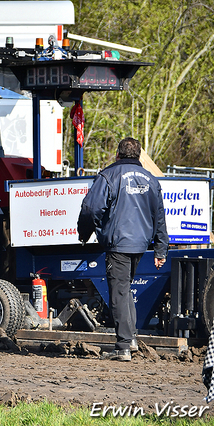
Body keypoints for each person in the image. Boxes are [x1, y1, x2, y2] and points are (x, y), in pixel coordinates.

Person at [77, 137, 169, 362]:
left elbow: (91, 208)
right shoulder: (151, 179)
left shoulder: (109, 175)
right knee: (125, 290)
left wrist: (84, 233)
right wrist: (160, 250)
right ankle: (132, 339)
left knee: (118, 292)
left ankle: (123, 347)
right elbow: (159, 218)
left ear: (117, 155)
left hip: (118, 243)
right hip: (140, 244)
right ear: (138, 156)